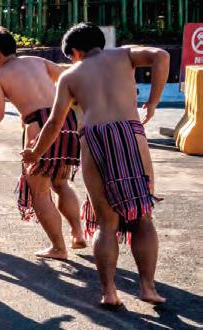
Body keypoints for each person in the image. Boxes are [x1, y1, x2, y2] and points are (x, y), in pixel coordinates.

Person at [21, 22, 168, 308]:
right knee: (142, 217)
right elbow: (161, 56)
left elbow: (54, 123)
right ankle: (148, 288)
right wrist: (152, 103)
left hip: (93, 137)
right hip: (130, 132)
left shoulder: (70, 76)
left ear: (75, 52)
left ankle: (109, 292)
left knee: (106, 221)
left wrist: (35, 153)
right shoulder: (123, 55)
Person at [0, 27, 86, 260]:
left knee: (40, 192)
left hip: (38, 124)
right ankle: (77, 233)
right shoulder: (36, 61)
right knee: (60, 183)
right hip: (65, 120)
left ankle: (59, 248)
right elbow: (68, 77)